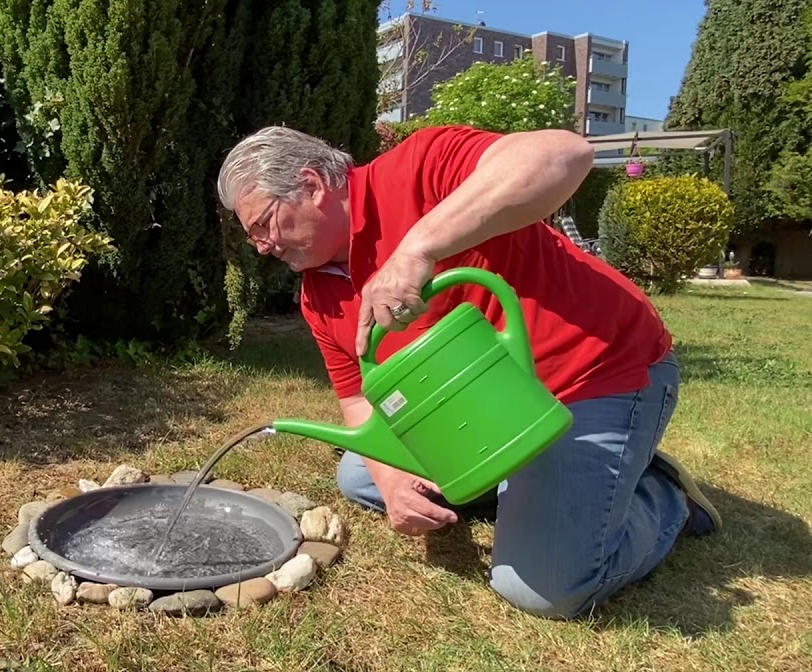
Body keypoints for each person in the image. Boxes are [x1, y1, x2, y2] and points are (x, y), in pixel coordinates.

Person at [215, 123, 721, 620]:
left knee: (542, 589)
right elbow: (357, 399)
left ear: (310, 184)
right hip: (488, 411)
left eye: (264, 224)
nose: (262, 246)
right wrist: (392, 483)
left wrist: (419, 247)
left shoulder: (420, 166)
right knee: (361, 474)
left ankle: (661, 496)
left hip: (597, 376)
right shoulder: (318, 293)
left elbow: (566, 154)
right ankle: (535, 487)